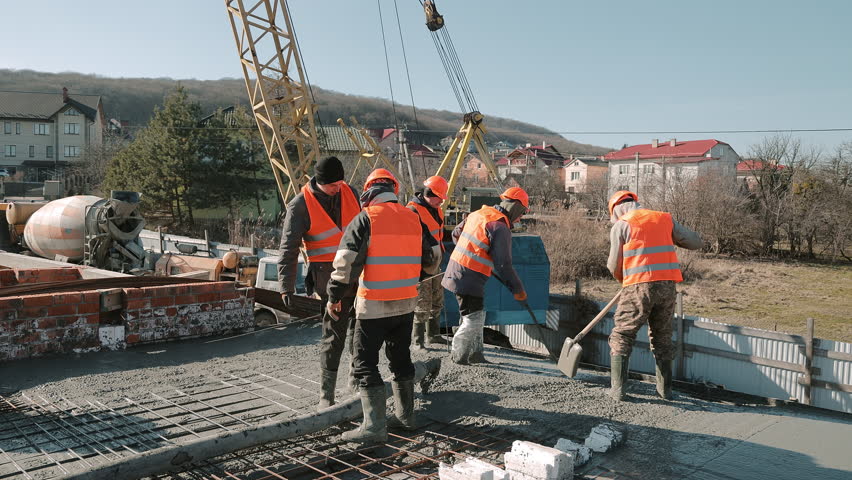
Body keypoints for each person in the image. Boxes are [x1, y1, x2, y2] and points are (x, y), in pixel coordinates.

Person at [326, 168, 441, 444]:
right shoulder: (413, 217)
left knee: (364, 363)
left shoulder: (366, 218)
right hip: (405, 305)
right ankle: (405, 417)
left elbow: (344, 263)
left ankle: (374, 427)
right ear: (394, 190)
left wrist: (334, 296)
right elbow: (434, 256)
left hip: (374, 306)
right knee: (400, 359)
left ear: (368, 192)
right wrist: (415, 277)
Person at [277, 156, 361, 409]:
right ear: (320, 182)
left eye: (340, 182)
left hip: (358, 276)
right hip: (329, 280)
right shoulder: (300, 205)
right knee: (333, 337)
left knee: (359, 332)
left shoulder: (350, 192)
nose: (338, 188)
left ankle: (355, 380)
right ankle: (327, 395)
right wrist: (286, 286)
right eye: (333, 185)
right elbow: (288, 248)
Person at [606, 190, 702, 401]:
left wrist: (623, 280)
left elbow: (613, 265)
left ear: (617, 209)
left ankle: (618, 391)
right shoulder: (664, 218)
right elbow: (695, 242)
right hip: (667, 287)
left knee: (623, 334)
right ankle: (665, 391)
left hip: (637, 286)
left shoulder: (621, 224)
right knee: (662, 336)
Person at [441, 187, 529, 365]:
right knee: (474, 318)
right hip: (468, 277)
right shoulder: (499, 226)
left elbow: (455, 234)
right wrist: (518, 290)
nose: (520, 218)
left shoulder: (478, 214)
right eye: (522, 213)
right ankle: (458, 356)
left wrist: (473, 254)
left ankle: (476, 355)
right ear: (516, 208)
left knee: (474, 315)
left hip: (460, 272)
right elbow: (504, 265)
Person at [406, 176, 450, 350]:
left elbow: (439, 234)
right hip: (420, 265)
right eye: (438, 197)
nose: (441, 201)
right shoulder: (412, 210)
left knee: (437, 299)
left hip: (435, 262)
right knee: (422, 302)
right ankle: (418, 341)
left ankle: (434, 335)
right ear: (428, 193)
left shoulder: (437, 209)